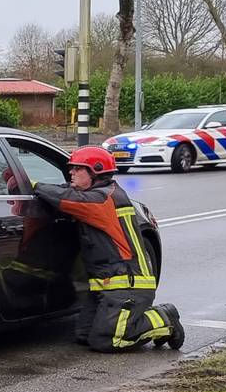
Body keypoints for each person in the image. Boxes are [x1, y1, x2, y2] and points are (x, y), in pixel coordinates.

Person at [33, 146, 185, 352]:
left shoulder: (102, 200)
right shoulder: (101, 193)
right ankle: (134, 320)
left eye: (78, 169)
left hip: (128, 287)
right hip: (106, 288)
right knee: (84, 336)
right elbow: (65, 191)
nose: (71, 172)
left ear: (95, 171)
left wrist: (33, 184)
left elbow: (65, 198)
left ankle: (164, 319)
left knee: (106, 340)